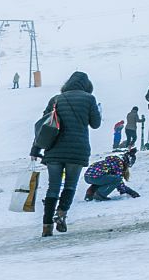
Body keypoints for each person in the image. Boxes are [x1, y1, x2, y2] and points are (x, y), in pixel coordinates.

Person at [33, 71, 103, 238]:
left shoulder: (56, 99)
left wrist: (35, 148)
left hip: (55, 150)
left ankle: (46, 226)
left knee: (53, 187)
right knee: (70, 185)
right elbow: (95, 124)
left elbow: (43, 126)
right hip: (77, 151)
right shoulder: (89, 99)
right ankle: (62, 213)